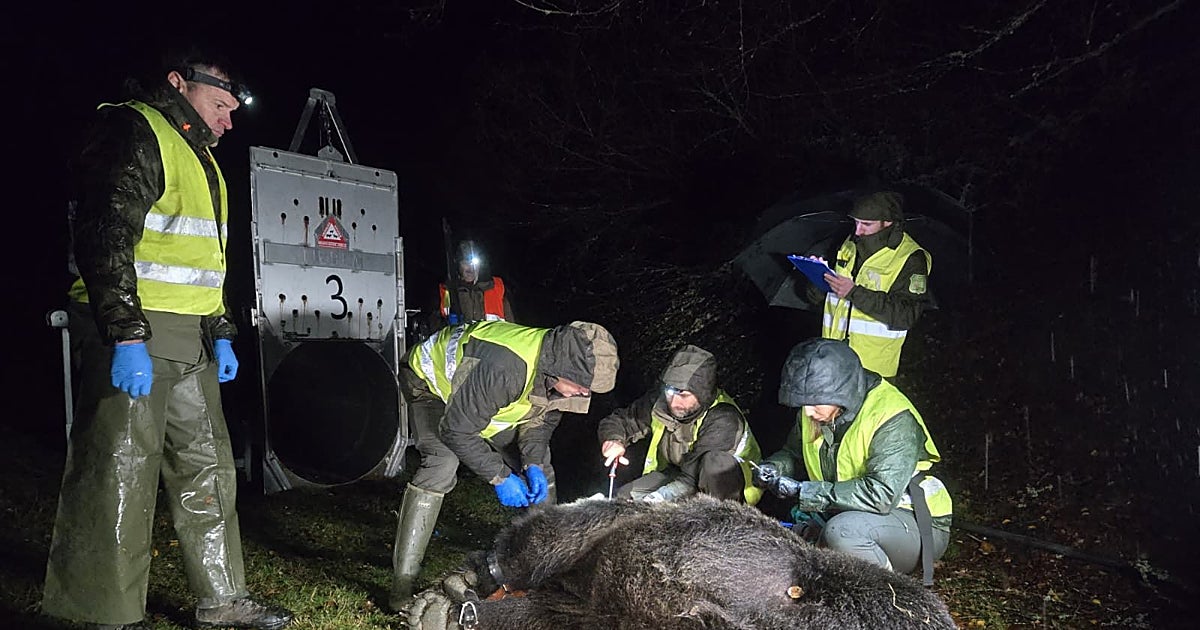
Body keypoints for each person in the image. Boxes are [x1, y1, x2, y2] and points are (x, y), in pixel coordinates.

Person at [42, 51, 293, 630]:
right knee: (120, 469)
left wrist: (222, 330)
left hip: (192, 341)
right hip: (133, 332)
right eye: (220, 104)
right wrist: (126, 333)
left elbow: (207, 263)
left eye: (234, 110)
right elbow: (104, 235)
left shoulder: (203, 159)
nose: (229, 121)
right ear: (179, 83)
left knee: (208, 469)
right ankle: (103, 612)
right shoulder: (132, 129)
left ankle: (223, 600)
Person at [390, 319, 619, 609]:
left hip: (484, 404)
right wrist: (499, 477)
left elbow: (539, 423)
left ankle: (546, 573)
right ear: (561, 369)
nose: (585, 394)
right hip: (430, 386)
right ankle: (402, 587)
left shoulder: (560, 376)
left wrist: (533, 462)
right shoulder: (507, 368)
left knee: (542, 469)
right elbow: (456, 430)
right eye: (582, 386)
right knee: (442, 462)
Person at [753, 339, 952, 585]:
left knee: (842, 532)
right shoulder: (817, 409)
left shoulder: (892, 417)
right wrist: (774, 468)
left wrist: (807, 491)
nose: (807, 413)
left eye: (815, 403)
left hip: (914, 523)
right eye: (803, 403)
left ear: (842, 393)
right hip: (849, 512)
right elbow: (793, 454)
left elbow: (881, 495)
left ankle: (889, 596)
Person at [597, 344, 763, 504]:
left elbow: (691, 481)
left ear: (702, 393)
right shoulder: (660, 403)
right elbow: (622, 420)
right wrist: (613, 440)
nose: (673, 402)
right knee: (625, 498)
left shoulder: (724, 418)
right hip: (678, 471)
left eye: (683, 395)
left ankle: (719, 522)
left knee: (715, 464)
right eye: (670, 392)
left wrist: (653, 501)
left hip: (728, 486)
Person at [811, 191, 931, 377]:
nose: (858, 231)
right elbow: (823, 301)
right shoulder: (849, 244)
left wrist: (854, 293)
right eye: (856, 222)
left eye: (866, 224)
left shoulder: (911, 259)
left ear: (888, 222)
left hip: (872, 370)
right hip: (832, 359)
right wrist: (818, 277)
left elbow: (906, 315)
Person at [436, 240, 515, 326]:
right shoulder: (447, 291)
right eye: (465, 262)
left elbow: (511, 327)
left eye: (474, 262)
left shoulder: (496, 288)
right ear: (457, 264)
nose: (470, 267)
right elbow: (436, 328)